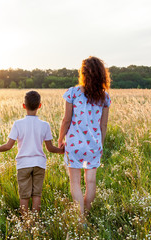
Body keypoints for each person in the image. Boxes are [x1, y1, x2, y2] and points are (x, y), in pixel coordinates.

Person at [0, 91, 64, 215]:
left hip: (23, 164)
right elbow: (50, 148)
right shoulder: (45, 125)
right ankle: (34, 221)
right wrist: (61, 150)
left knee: (24, 195)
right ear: (39, 106)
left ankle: (26, 222)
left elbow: (9, 146)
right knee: (37, 194)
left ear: (24, 106)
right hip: (39, 164)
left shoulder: (18, 124)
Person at [58, 56, 111, 214]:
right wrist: (100, 144)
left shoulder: (73, 93)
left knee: (75, 182)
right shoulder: (104, 97)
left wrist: (60, 139)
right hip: (94, 145)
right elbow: (104, 125)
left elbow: (66, 120)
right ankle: (87, 211)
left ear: (83, 73)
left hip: (74, 145)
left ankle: (80, 219)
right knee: (91, 180)